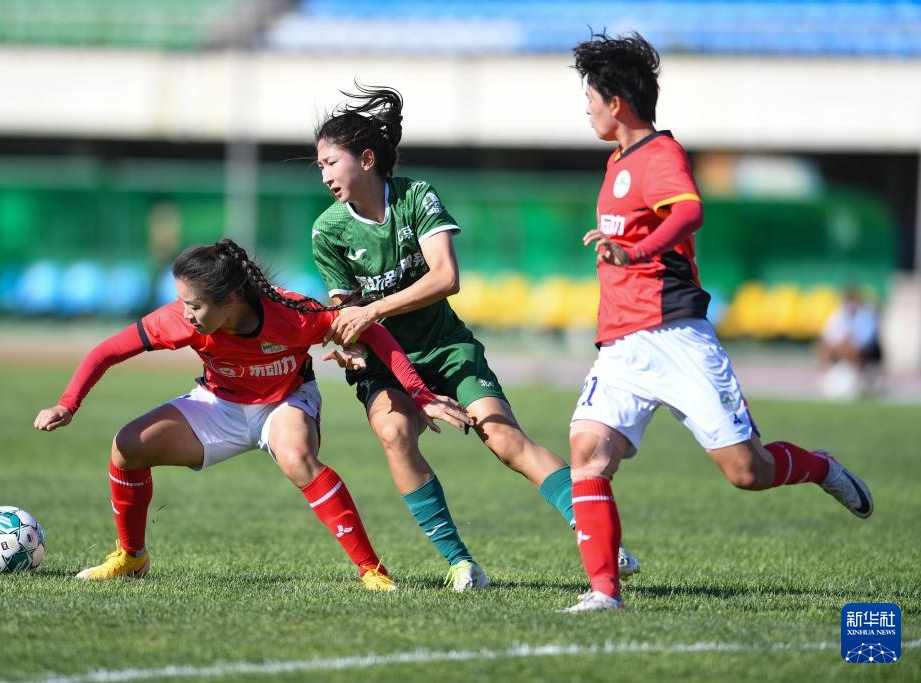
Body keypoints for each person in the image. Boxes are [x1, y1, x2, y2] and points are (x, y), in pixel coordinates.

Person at [564, 31, 874, 612]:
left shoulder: (659, 155)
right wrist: (616, 245)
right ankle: (604, 592)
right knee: (587, 450)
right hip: (623, 345)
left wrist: (634, 252)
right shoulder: (617, 160)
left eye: (589, 96)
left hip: (676, 334)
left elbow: (688, 211)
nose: (584, 107)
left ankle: (820, 468)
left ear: (616, 102)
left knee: (746, 472)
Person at [311, 84, 641, 592]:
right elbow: (351, 321)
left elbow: (446, 277)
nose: (326, 175)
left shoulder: (417, 196)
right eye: (321, 167)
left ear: (368, 158)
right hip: (386, 360)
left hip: (446, 347)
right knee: (394, 434)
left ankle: (598, 536)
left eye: (332, 162)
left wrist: (371, 310)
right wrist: (354, 347)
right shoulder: (327, 231)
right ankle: (461, 564)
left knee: (505, 439)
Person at [33, 238, 474, 591]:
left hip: (285, 402)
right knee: (126, 447)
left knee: (297, 458)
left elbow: (371, 328)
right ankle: (132, 558)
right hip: (219, 405)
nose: (186, 313)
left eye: (195, 305)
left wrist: (417, 392)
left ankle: (372, 571)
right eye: (182, 302)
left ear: (231, 299)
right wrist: (66, 404)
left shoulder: (294, 314)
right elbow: (107, 351)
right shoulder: (181, 320)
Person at [817, 286, 882, 398]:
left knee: (853, 350)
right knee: (824, 349)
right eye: (849, 300)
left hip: (864, 349)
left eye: (853, 300)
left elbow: (867, 338)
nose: (851, 304)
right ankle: (826, 381)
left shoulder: (866, 315)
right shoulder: (840, 314)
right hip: (844, 347)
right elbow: (830, 333)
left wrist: (851, 341)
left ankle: (855, 384)